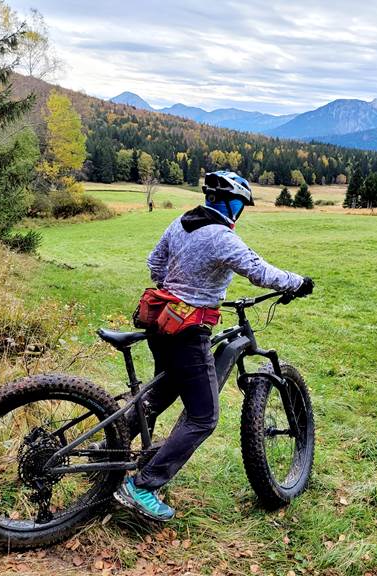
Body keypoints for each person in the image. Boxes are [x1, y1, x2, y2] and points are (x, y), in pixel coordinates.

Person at [114, 171, 314, 521]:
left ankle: (110, 448)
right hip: (188, 332)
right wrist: (297, 283)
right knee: (204, 417)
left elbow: (154, 263)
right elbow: (259, 271)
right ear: (233, 205)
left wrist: (174, 289)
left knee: (161, 392)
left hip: (162, 322)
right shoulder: (222, 237)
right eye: (241, 205)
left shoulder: (181, 222)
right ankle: (143, 485)